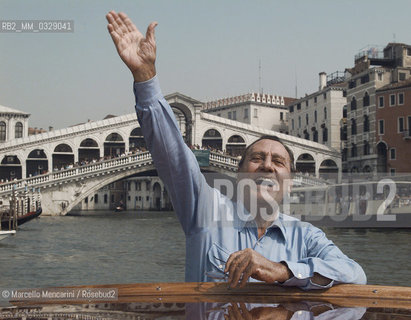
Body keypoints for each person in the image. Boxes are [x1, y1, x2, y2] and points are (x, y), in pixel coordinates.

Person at [106, 11, 366, 290]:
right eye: (256, 158)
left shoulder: (305, 236)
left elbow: (355, 274)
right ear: (239, 174)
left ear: (289, 183)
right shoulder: (205, 210)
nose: (267, 165)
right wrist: (145, 77)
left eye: (278, 162)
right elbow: (175, 158)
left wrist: (281, 270)